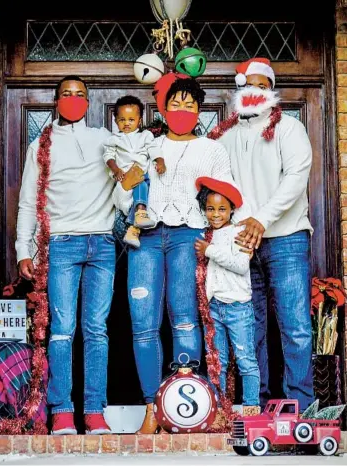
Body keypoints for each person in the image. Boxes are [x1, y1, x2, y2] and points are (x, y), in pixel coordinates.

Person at [113, 72, 248, 433]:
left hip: (189, 238)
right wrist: (129, 198)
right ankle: (150, 407)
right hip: (146, 238)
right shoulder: (148, 145)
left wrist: (242, 231)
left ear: (199, 110)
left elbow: (229, 195)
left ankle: (181, 402)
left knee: (185, 318)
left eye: (190, 105)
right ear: (164, 108)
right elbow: (123, 193)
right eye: (176, 104)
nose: (183, 110)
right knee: (143, 323)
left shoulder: (212, 150)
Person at [208, 58, 314, 411]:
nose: (252, 91)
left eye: (260, 85)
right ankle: (259, 406)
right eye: (246, 85)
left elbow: (296, 178)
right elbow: (220, 187)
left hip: (285, 237)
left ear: (271, 90)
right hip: (241, 244)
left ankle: (300, 409)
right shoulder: (225, 136)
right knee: (247, 328)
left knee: (294, 326)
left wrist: (261, 220)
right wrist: (239, 225)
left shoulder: (289, 129)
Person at [16, 75, 116, 435]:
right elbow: (29, 201)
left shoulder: (105, 139)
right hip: (61, 244)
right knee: (62, 331)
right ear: (55, 101)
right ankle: (61, 411)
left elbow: (138, 157)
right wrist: (22, 250)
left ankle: (94, 411)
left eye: (80, 95)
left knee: (96, 329)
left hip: (102, 244)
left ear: (89, 102)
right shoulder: (40, 145)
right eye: (66, 94)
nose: (74, 99)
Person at [194, 177, 260, 414]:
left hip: (238, 307)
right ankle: (219, 412)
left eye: (222, 209)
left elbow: (241, 264)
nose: (216, 214)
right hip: (214, 308)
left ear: (232, 209)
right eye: (210, 209)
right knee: (216, 362)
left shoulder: (240, 232)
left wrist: (209, 251)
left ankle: (252, 408)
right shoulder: (207, 234)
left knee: (246, 360)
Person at [103, 95, 166, 248]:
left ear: (139, 120)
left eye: (131, 119)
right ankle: (139, 215)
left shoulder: (145, 136)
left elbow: (154, 149)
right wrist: (116, 170)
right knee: (138, 190)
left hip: (141, 174)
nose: (126, 123)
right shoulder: (113, 139)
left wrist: (160, 161)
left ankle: (133, 228)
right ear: (116, 121)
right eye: (122, 119)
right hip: (125, 175)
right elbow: (108, 157)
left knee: (142, 187)